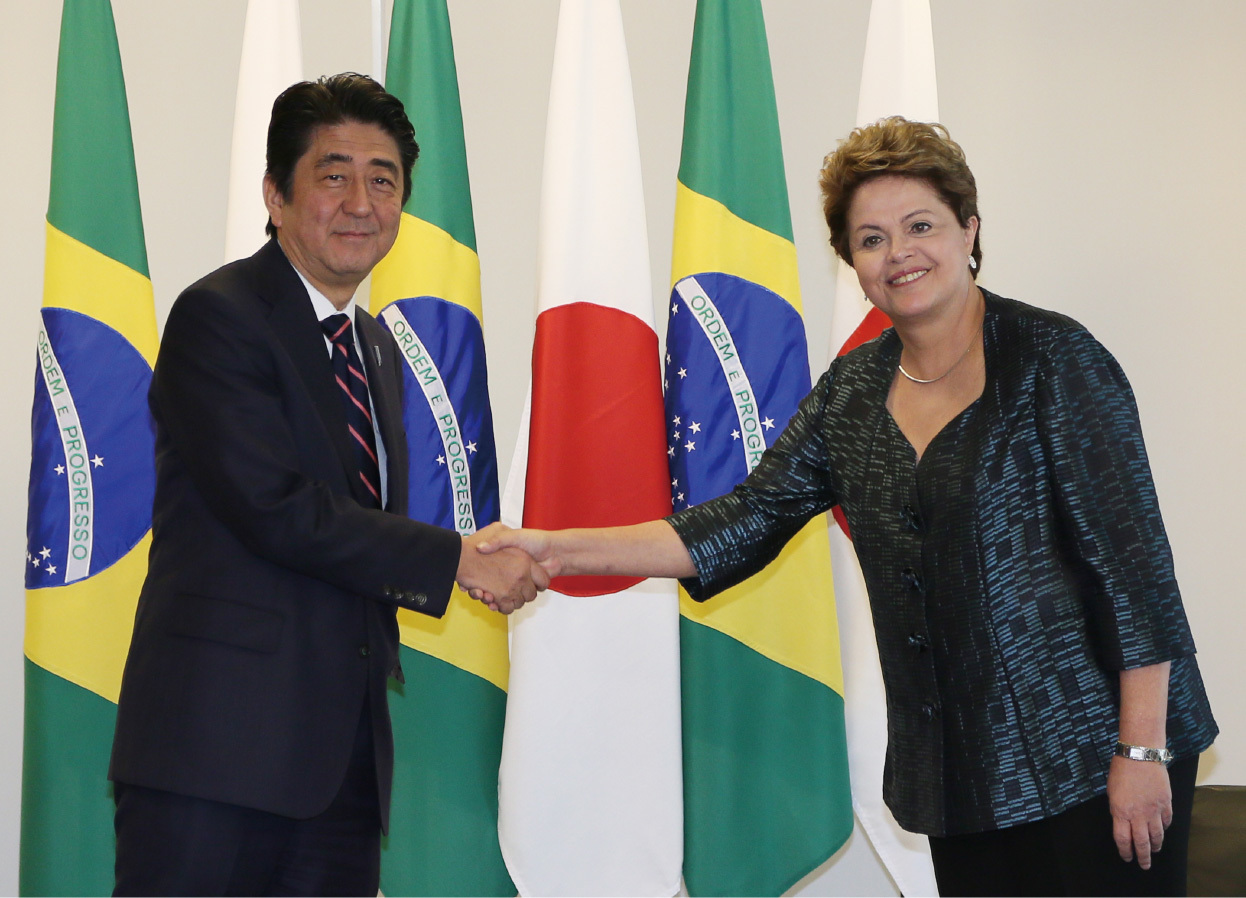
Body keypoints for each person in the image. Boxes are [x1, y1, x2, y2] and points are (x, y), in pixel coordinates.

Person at [473, 117, 1217, 896]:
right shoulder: (853, 392)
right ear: (852, 263)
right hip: (962, 771)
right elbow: (740, 522)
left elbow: (1134, 571)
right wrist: (556, 548)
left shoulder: (1055, 360)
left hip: (1097, 751)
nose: (898, 253)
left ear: (969, 230)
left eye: (920, 226)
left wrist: (1142, 750)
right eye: (871, 239)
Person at [108, 73, 544, 896]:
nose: (361, 203)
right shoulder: (220, 316)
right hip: (216, 759)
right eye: (334, 175)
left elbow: (353, 532)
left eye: (384, 181)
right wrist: (457, 558)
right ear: (276, 195)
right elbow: (276, 509)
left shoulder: (375, 347)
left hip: (340, 774)